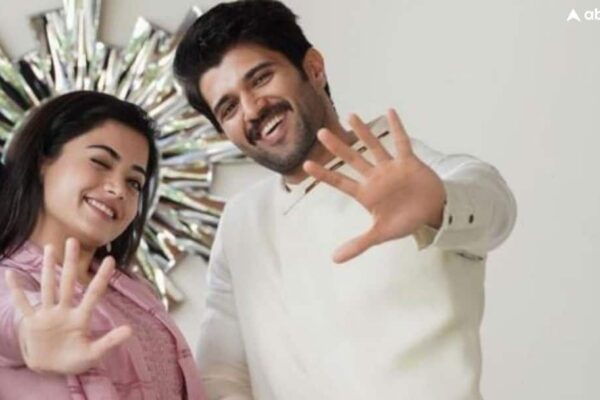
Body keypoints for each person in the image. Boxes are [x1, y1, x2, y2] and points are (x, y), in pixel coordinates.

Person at [174, 1, 517, 399]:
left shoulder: (405, 168)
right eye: (229, 107)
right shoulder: (240, 220)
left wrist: (437, 204)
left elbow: (493, 205)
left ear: (313, 68)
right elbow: (222, 373)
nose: (252, 109)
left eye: (261, 78)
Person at [0, 91, 205, 399]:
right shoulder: (10, 280)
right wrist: (30, 337)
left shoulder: (135, 291)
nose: (118, 189)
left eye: (134, 182)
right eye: (100, 162)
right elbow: (12, 318)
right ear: (43, 161)